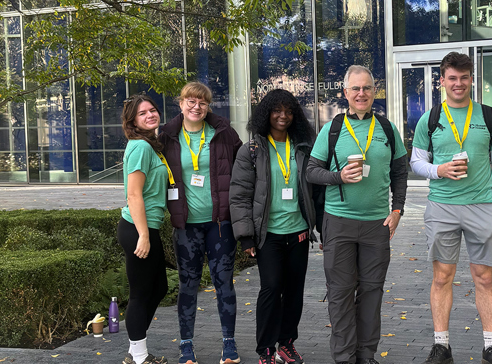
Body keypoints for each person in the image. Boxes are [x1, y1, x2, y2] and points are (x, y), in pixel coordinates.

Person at [409, 52, 492, 364]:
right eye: (452, 78)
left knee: (484, 276)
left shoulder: (490, 116)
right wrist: (438, 170)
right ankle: (442, 345)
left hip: (482, 206)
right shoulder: (430, 118)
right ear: (442, 81)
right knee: (442, 276)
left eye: (464, 78)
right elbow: (416, 162)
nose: (458, 83)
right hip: (442, 207)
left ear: (471, 79)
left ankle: (491, 346)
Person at [305, 65, 408, 364]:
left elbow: (400, 171)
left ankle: (366, 355)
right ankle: (344, 357)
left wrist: (398, 209)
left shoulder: (387, 128)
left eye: (366, 88)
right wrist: (338, 177)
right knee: (339, 293)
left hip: (377, 224)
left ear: (374, 91)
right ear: (345, 92)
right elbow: (311, 171)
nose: (361, 93)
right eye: (355, 89)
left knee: (372, 293)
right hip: (338, 223)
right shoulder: (332, 128)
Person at [229, 89, 321, 364]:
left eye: (289, 111)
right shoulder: (253, 150)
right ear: (266, 113)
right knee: (270, 289)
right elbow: (240, 194)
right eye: (277, 110)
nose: (283, 116)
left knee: (294, 291)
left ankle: (287, 343)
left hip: (299, 232)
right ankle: (266, 348)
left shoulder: (303, 148)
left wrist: (318, 224)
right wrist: (246, 237)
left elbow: (315, 191)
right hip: (268, 234)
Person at [159, 82, 243, 364]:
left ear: (208, 107)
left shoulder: (223, 133)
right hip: (186, 226)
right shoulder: (167, 136)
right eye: (191, 102)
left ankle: (228, 345)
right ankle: (186, 346)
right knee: (188, 285)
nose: (197, 107)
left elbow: (244, 167)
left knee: (224, 284)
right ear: (180, 103)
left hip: (220, 224)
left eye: (203, 103)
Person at [118, 95, 170, 364]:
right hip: (138, 228)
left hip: (147, 226)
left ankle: (135, 347)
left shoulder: (150, 146)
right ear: (132, 121)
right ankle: (138, 356)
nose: (150, 115)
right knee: (140, 293)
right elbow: (134, 195)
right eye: (142, 113)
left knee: (159, 288)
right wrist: (144, 235)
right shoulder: (140, 147)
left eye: (152, 110)